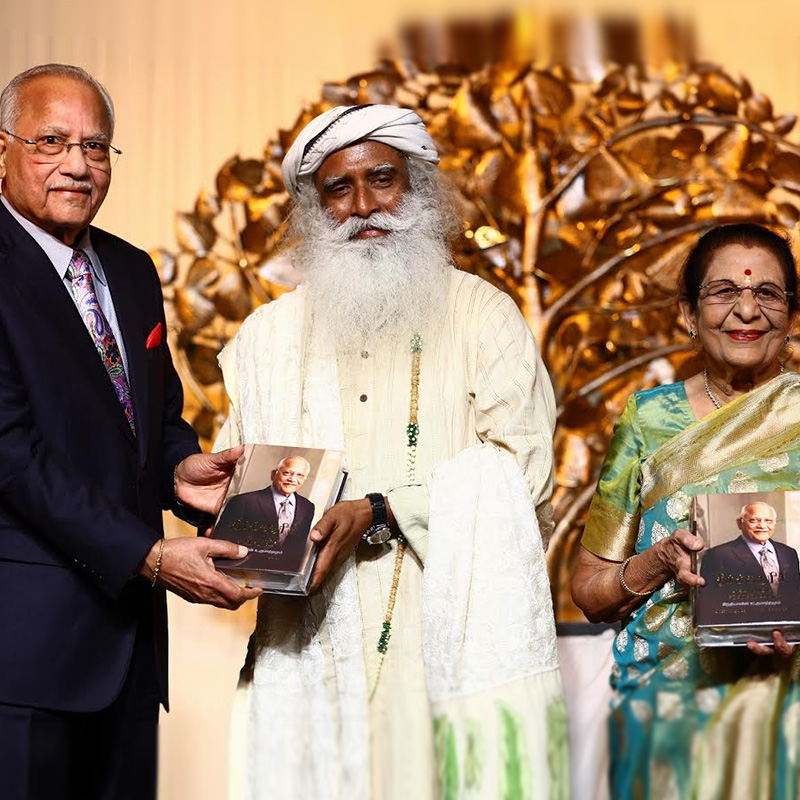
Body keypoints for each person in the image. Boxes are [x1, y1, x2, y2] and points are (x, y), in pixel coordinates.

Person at [216, 104, 567, 799]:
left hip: (444, 645)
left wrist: (380, 510)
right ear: (313, 210)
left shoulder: (482, 314)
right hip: (306, 650)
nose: (363, 206)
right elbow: (241, 478)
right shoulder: (266, 338)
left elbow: (523, 470)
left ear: (420, 188)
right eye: (338, 190)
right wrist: (215, 507)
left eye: (383, 179)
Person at [0, 64, 259, 800]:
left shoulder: (131, 267)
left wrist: (181, 471)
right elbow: (12, 454)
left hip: (131, 654)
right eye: (51, 141)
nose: (78, 164)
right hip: (24, 657)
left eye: (97, 146)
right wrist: (148, 554)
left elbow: (156, 413)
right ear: (4, 148)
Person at [571, 222, 800, 799]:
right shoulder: (649, 420)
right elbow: (591, 588)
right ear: (688, 314)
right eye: (723, 292)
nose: (746, 309)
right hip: (670, 709)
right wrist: (660, 562)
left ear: (793, 317)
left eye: (768, 293)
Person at [699, 501, 800, 622]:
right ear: (739, 523)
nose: (762, 526)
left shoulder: (789, 553)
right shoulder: (717, 555)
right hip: (741, 632)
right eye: (754, 520)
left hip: (788, 630)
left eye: (768, 521)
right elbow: (711, 603)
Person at [214, 455, 315, 569]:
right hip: (242, 572)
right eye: (287, 473)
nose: (293, 479)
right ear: (274, 474)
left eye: (300, 475)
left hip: (282, 576)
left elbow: (297, 548)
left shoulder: (307, 507)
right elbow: (221, 542)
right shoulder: (243, 501)